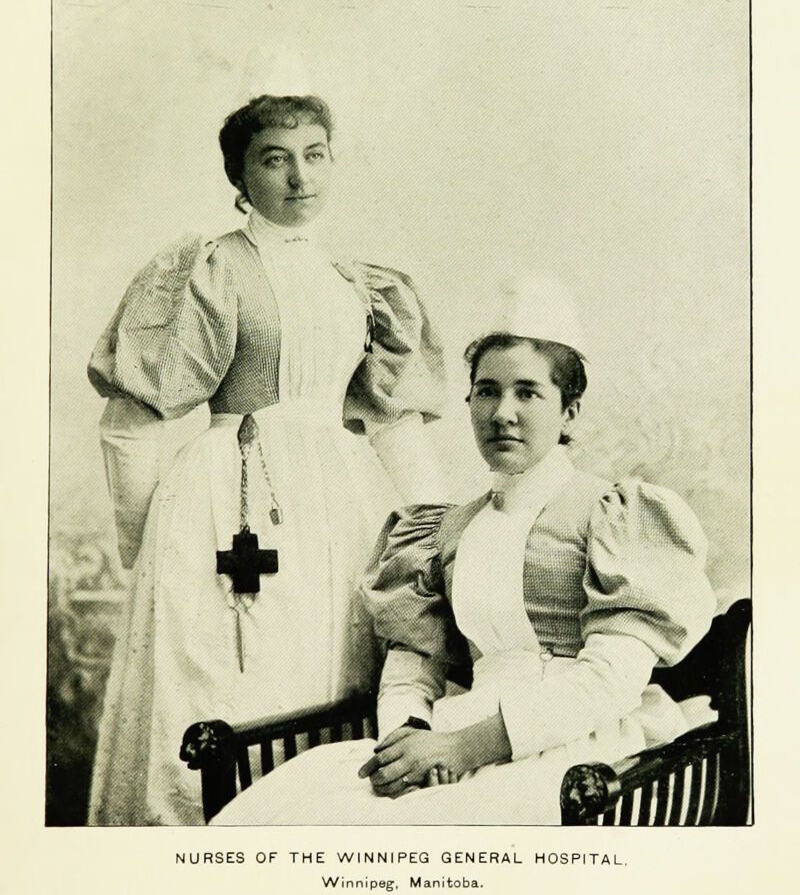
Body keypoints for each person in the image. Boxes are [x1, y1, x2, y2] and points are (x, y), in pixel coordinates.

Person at [212, 276, 717, 826]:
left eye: (529, 392)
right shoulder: (442, 531)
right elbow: (412, 668)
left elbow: (609, 683)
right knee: (282, 810)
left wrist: (466, 748)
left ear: (569, 411)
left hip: (580, 746)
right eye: (487, 391)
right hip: (456, 737)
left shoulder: (615, 516)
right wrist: (410, 736)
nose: (503, 412)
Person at [87, 90, 445, 825]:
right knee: (228, 682)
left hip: (345, 502)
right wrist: (147, 543)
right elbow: (131, 416)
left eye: (314, 156)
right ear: (239, 175)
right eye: (274, 159)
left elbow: (395, 423)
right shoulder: (210, 270)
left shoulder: (359, 285)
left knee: (339, 672)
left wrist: (438, 536)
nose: (298, 177)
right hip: (227, 500)